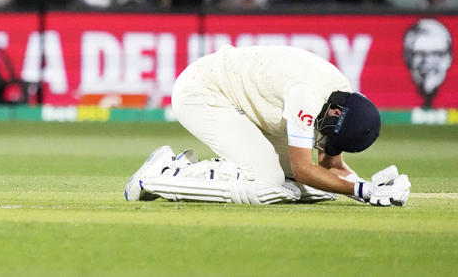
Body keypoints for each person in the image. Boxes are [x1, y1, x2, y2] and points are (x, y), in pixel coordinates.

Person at [125, 45, 410, 206]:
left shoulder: (341, 101)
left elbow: (328, 165)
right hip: (203, 91)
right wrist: (364, 192)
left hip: (239, 101)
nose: (325, 143)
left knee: (327, 189)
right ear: (336, 114)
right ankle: (158, 175)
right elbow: (304, 169)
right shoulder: (307, 96)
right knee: (269, 184)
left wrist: (369, 188)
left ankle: (199, 170)